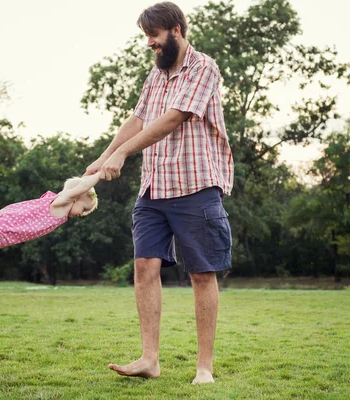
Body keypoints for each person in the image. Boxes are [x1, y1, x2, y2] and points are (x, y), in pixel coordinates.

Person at [85, 2, 234, 384]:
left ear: (177, 30)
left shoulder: (203, 68)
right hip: (153, 186)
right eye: (147, 38)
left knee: (201, 274)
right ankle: (149, 359)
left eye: (154, 36)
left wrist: (122, 153)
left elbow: (173, 118)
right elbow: (137, 119)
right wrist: (101, 159)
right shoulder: (156, 76)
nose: (150, 44)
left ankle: (204, 369)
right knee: (144, 266)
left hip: (196, 185)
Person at [0, 173, 101, 251]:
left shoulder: (63, 205)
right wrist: (100, 175)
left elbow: (82, 186)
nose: (82, 214)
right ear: (76, 197)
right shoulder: (62, 202)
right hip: (17, 219)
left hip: (16, 220)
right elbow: (82, 187)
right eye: (84, 209)